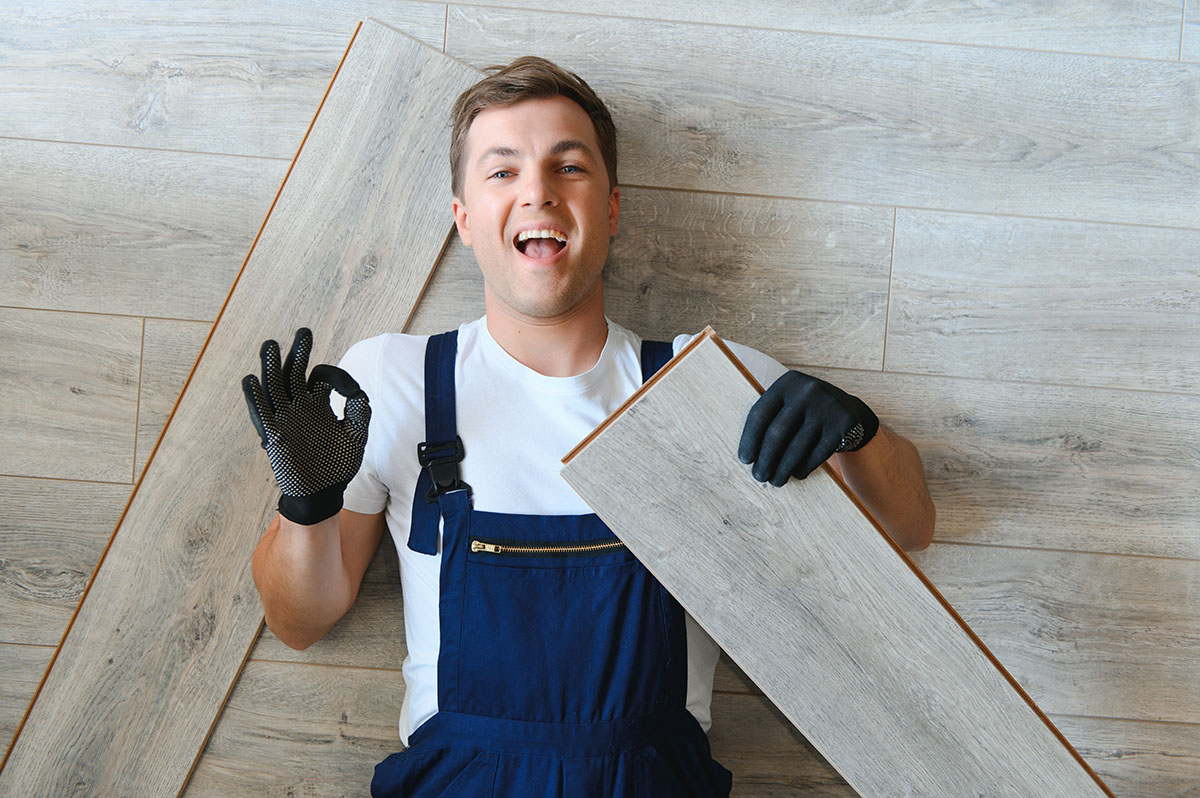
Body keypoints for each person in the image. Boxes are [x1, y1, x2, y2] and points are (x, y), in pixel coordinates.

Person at [243, 56, 935, 797]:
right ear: (464, 219)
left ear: (610, 207)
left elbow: (911, 524)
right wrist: (307, 506)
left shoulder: (705, 384)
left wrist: (857, 432)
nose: (537, 191)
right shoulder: (393, 383)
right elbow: (299, 622)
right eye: (502, 172)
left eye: (566, 167)